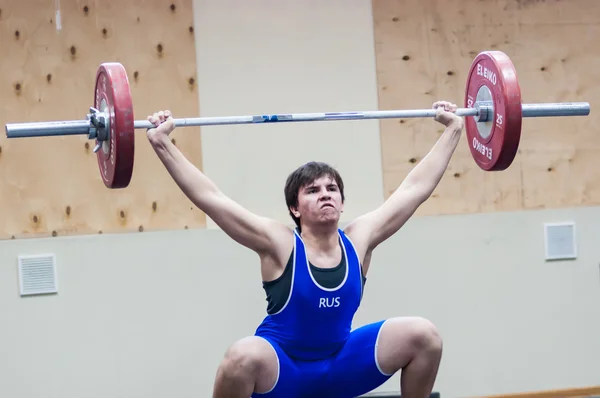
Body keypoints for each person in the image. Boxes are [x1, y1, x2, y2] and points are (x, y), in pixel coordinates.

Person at [146, 101, 464, 398]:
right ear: (294, 208)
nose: (325, 195)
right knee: (241, 356)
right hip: (284, 370)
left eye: (332, 189)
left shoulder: (360, 238)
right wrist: (163, 144)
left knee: (425, 336)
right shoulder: (279, 243)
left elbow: (414, 189)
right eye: (312, 190)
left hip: (341, 365)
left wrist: (453, 131)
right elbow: (211, 198)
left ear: (342, 201)